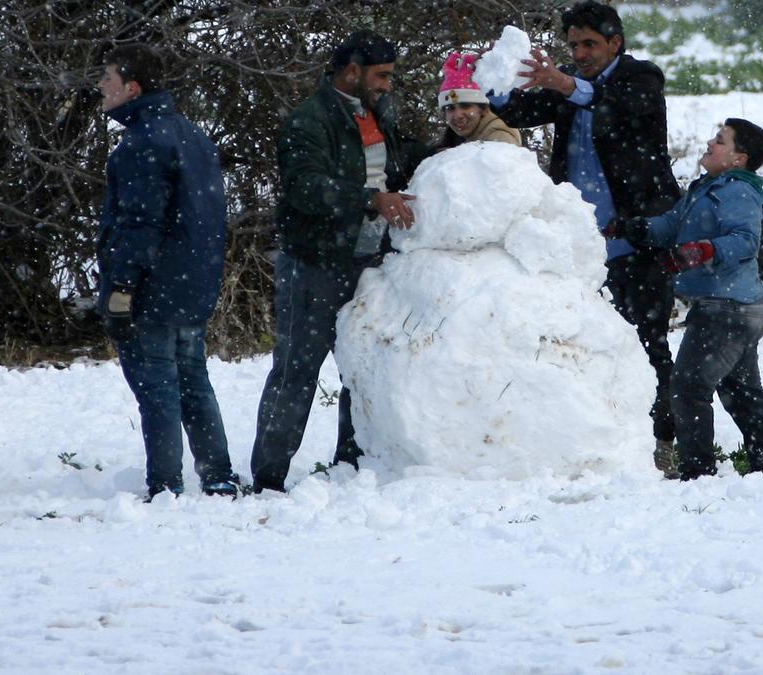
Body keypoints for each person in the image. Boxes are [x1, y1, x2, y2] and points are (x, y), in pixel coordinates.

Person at [490, 0, 682, 476]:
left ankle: (665, 441)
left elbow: (617, 104)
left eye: (589, 44)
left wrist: (565, 84)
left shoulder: (641, 78)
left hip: (637, 241)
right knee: (584, 345)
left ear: (615, 42)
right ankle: (601, 439)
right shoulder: (570, 90)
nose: (580, 52)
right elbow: (519, 110)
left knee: (647, 342)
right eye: (573, 45)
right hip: (579, 247)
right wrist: (487, 84)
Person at [250, 31, 429, 493]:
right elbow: (306, 188)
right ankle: (268, 479)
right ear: (352, 72)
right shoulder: (309, 121)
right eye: (382, 75)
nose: (389, 84)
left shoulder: (374, 112)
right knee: (296, 371)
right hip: (315, 266)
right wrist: (372, 199)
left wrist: (451, 151)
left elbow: (394, 158)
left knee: (361, 367)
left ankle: (350, 464)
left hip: (366, 263)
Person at [95, 44, 237, 499]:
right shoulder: (192, 135)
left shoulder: (141, 142)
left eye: (108, 78)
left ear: (132, 87)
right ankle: (217, 475)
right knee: (193, 378)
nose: (101, 86)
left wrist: (121, 288)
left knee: (156, 385)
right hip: (192, 280)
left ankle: (166, 486)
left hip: (154, 286)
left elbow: (139, 223)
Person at [607, 119, 763, 480]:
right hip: (733, 306)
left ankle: (697, 471)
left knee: (687, 387)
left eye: (720, 140)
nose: (709, 142)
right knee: (741, 389)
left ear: (739, 158)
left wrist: (704, 250)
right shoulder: (708, 188)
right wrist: (634, 227)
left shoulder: (738, 191)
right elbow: (670, 226)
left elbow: (745, 241)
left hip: (727, 307)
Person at [434, 52, 520, 150]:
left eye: (465, 106)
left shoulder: (500, 140)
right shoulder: (454, 141)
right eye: (450, 108)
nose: (458, 115)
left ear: (484, 109)